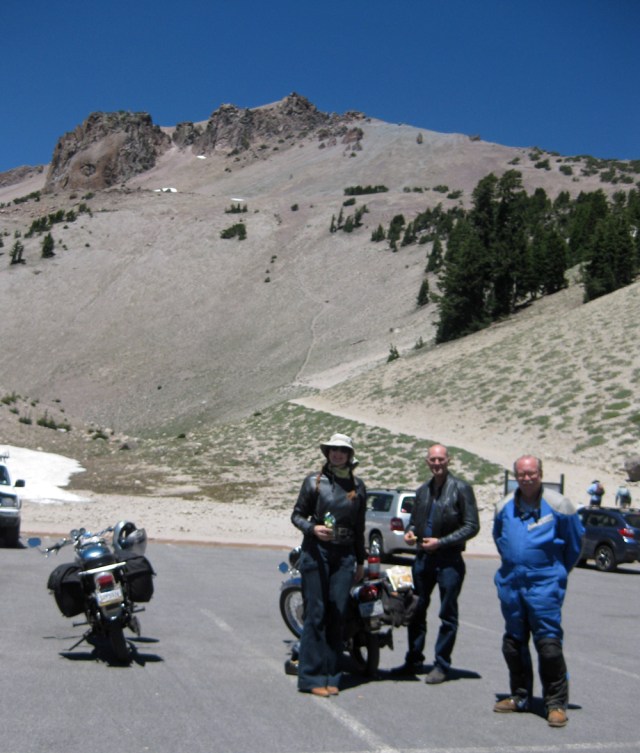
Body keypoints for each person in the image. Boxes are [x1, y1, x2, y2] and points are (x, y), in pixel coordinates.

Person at [493, 455, 584, 728]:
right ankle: (520, 697)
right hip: (511, 584)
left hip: (544, 585)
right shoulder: (504, 506)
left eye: (532, 473)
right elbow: (500, 539)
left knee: (548, 645)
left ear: (541, 474)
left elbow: (574, 546)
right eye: (522, 474)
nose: (527, 478)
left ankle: (555, 703)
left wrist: (554, 573)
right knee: (513, 643)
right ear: (515, 476)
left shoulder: (559, 506)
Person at [291, 432, 366, 697]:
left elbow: (359, 527)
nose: (337, 454)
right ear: (328, 453)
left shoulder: (358, 487)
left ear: (349, 455)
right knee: (317, 612)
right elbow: (297, 515)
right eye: (333, 450)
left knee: (338, 611)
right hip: (317, 551)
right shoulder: (314, 482)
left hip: (345, 554)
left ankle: (332, 675)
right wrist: (313, 528)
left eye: (342, 451)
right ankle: (311, 678)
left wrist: (360, 560)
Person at [400, 443, 480, 684]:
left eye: (441, 459)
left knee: (447, 614)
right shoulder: (422, 490)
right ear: (427, 462)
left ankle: (442, 664)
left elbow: (472, 526)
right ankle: (413, 660)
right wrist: (410, 532)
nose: (437, 463)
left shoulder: (461, 489)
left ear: (449, 460)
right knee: (415, 610)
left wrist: (442, 542)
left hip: (449, 560)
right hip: (423, 558)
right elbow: (414, 521)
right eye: (432, 460)